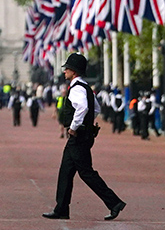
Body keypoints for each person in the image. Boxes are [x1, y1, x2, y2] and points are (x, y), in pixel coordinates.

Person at [43, 53, 125, 221]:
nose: (65, 71)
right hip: (84, 134)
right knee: (66, 171)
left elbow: (83, 108)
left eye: (67, 68)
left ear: (74, 71)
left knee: (86, 173)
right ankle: (61, 208)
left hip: (78, 136)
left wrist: (74, 127)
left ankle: (114, 202)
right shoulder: (84, 87)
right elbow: (95, 108)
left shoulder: (77, 88)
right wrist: (87, 123)